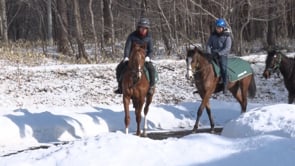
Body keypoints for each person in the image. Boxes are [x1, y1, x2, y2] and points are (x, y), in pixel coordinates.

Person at [114, 17, 156, 95]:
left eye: (145, 28)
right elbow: (127, 48)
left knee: (152, 69)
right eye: (142, 28)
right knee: (119, 67)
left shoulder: (149, 38)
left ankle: (151, 87)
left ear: (147, 29)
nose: (143, 30)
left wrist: (148, 57)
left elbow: (151, 50)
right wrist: (126, 57)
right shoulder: (132, 36)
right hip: (132, 58)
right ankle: (120, 86)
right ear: (139, 28)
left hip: (144, 59)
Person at [206, 18, 232, 94]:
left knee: (223, 68)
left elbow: (227, 48)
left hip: (222, 55)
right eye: (217, 28)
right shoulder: (213, 35)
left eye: (220, 28)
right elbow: (208, 44)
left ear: (223, 28)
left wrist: (219, 53)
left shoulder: (227, 37)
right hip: (213, 54)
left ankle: (225, 85)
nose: (218, 29)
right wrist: (208, 53)